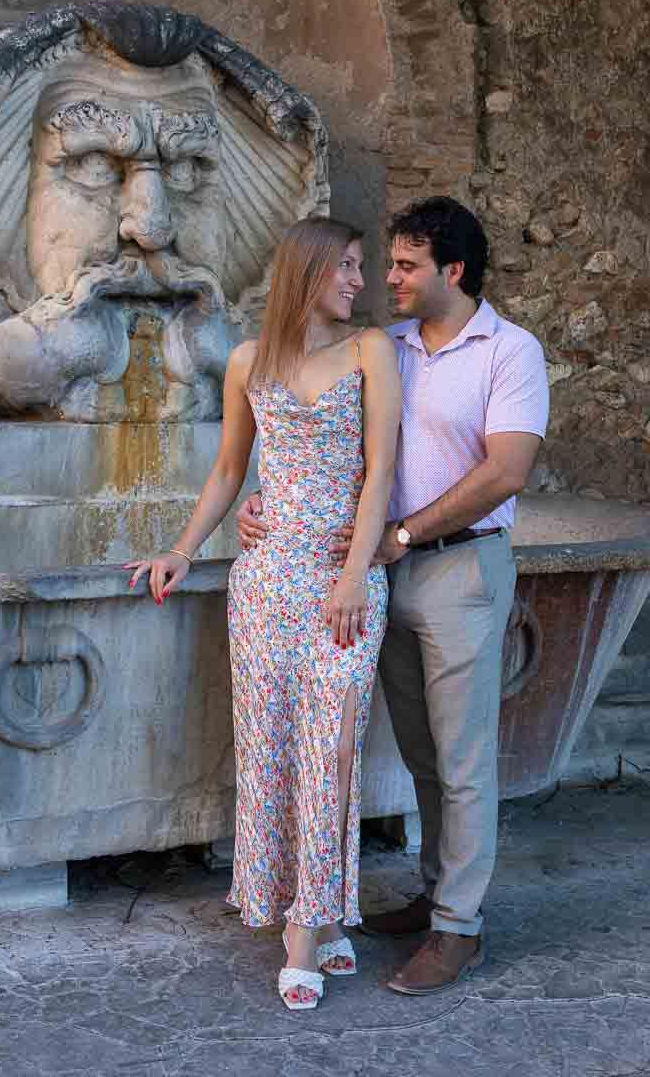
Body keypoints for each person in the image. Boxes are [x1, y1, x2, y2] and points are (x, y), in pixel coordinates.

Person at [237, 196, 550, 996]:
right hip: (379, 573)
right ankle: (433, 892)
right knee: (420, 754)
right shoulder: (389, 346)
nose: (389, 277)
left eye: (407, 265)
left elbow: (506, 472)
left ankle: (459, 929)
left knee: (464, 759)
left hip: (456, 570)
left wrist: (402, 535)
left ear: (452, 270)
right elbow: (333, 441)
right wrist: (266, 498)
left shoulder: (510, 353)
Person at [126, 217, 401, 1010]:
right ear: (308, 271)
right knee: (274, 750)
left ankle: (307, 929)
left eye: (360, 266)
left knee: (334, 751)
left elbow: (381, 468)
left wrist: (355, 574)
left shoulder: (370, 353)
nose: (358, 281)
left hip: (342, 583)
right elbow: (227, 469)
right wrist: (183, 548)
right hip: (265, 584)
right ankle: (308, 914)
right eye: (346, 267)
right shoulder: (247, 361)